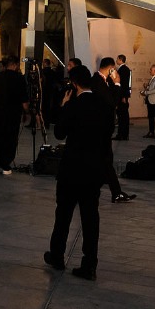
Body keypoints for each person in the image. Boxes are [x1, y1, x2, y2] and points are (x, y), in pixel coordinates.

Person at [44, 65, 114, 281]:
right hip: (93, 170)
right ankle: (89, 264)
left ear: (74, 84)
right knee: (90, 218)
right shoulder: (104, 105)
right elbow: (108, 134)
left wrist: (64, 106)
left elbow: (59, 133)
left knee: (63, 214)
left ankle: (57, 255)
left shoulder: (73, 105)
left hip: (72, 168)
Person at [90, 57, 134, 203]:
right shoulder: (97, 81)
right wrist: (117, 83)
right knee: (104, 161)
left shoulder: (101, 81)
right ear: (110, 69)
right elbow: (112, 102)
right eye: (113, 69)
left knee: (105, 161)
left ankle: (116, 192)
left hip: (103, 129)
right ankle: (115, 192)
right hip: (100, 129)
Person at [0, 57, 28, 175]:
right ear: (15, 65)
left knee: (0, 138)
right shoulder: (19, 78)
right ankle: (6, 163)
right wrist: (26, 111)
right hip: (13, 113)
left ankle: (0, 162)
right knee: (11, 138)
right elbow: (24, 98)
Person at [141, 64, 155, 139]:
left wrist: (146, 92)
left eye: (151, 70)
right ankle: (151, 132)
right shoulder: (152, 78)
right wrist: (146, 87)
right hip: (150, 100)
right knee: (150, 117)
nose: (150, 71)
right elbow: (151, 88)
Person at [113, 55, 131, 141]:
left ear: (120, 60)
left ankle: (122, 134)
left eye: (117, 59)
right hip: (122, 95)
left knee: (122, 116)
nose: (116, 60)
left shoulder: (123, 69)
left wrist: (123, 96)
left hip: (122, 96)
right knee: (122, 116)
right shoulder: (124, 69)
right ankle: (123, 134)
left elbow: (124, 84)